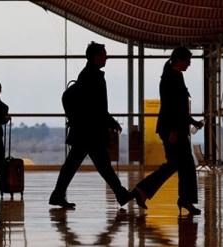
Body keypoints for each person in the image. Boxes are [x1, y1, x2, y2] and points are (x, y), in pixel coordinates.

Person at [49, 42, 131, 208]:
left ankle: (58, 195)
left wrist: (109, 121)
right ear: (96, 57)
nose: (106, 57)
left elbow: (94, 106)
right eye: (104, 54)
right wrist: (110, 121)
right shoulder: (92, 77)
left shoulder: (87, 75)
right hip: (90, 131)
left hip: (84, 130)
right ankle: (120, 194)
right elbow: (97, 106)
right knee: (100, 165)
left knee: (79, 164)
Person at [131, 46, 203, 215]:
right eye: (187, 61)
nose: (189, 64)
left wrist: (192, 122)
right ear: (178, 60)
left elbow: (179, 108)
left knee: (182, 165)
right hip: (172, 130)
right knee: (178, 164)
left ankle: (182, 199)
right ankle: (143, 191)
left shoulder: (175, 75)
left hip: (176, 129)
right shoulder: (170, 78)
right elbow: (171, 107)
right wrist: (173, 131)